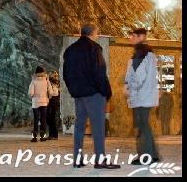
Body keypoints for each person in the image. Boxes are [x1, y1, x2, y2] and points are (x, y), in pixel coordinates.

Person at [63, 23, 120, 169]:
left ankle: (78, 159)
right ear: (92, 33)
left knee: (79, 126)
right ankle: (100, 160)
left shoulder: (70, 50)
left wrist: (73, 89)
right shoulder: (94, 48)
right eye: (97, 33)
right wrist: (107, 92)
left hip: (78, 94)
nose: (98, 35)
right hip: (94, 94)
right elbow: (99, 72)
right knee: (98, 127)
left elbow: (66, 74)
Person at [124, 27, 160, 165]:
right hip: (145, 96)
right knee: (145, 125)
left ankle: (145, 156)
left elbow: (139, 76)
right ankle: (153, 155)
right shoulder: (147, 53)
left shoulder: (141, 53)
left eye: (133, 36)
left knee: (141, 126)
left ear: (141, 37)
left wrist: (129, 87)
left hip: (140, 96)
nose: (130, 38)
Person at [29, 66, 53, 142]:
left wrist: (33, 97)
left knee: (36, 119)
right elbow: (51, 92)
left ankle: (34, 137)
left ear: (36, 73)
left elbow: (31, 93)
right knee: (43, 119)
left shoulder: (33, 81)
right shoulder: (46, 80)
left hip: (35, 103)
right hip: (44, 102)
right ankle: (43, 137)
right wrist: (48, 98)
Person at [47, 70, 61, 140]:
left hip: (53, 100)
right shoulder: (55, 82)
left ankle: (54, 135)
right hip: (54, 101)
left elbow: (54, 93)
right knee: (50, 117)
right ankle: (52, 135)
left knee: (51, 117)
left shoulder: (53, 82)